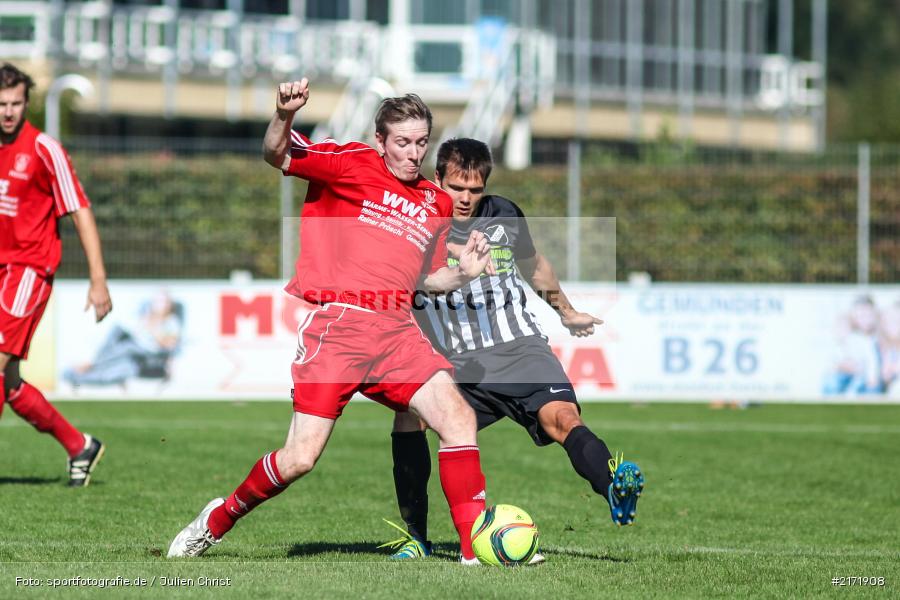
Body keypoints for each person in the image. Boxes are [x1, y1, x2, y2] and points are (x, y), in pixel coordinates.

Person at [168, 80, 495, 561]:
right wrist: (283, 114)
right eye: (402, 142)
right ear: (380, 140)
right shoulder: (351, 162)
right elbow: (274, 153)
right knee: (300, 458)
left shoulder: (436, 202)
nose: (413, 153)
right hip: (341, 328)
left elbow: (425, 281)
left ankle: (473, 551)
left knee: (458, 418)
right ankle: (216, 520)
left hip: (399, 331)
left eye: (421, 142)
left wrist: (462, 273)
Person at [385, 138, 644, 562]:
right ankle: (416, 537)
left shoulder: (504, 215)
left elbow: (534, 265)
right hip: (456, 364)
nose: (466, 198)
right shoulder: (414, 222)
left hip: (520, 349)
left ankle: (612, 482)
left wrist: (566, 311)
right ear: (438, 179)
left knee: (563, 419)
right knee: (409, 418)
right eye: (456, 187)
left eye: (475, 189)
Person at [0, 63, 112, 487]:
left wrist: (97, 279)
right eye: (1, 105)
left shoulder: (45, 148)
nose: (8, 112)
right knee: (10, 384)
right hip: (1, 269)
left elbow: (80, 209)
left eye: (15, 103)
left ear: (26, 102)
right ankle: (79, 445)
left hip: (29, 270)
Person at [64, 291, 183, 387]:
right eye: (157, 301)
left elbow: (169, 344)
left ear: (169, 305)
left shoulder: (171, 322)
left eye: (163, 302)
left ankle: (92, 364)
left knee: (126, 348)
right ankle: (82, 373)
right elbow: (136, 330)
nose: (159, 305)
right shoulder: (146, 317)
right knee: (118, 335)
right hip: (133, 350)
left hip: (149, 352)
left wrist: (152, 330)